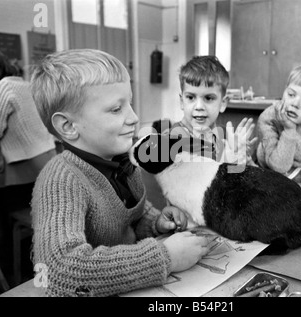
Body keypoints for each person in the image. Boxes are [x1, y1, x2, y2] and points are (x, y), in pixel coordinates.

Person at [30, 49, 209, 297]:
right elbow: (60, 271)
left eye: (130, 103)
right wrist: (164, 257)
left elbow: (130, 216)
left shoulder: (123, 160)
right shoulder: (61, 179)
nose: (134, 118)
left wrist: (156, 222)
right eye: (116, 109)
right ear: (68, 126)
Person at [0, 48, 56, 225]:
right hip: (46, 157)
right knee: (30, 206)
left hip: (25, 164)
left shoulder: (0, 89)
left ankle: (4, 247)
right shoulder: (23, 84)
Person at [169, 55, 257, 165]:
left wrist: (244, 158)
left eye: (208, 98)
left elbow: (251, 176)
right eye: (191, 97)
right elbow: (193, 177)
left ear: (223, 103)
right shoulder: (174, 138)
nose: (199, 106)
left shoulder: (225, 135)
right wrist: (226, 162)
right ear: (182, 102)